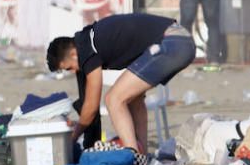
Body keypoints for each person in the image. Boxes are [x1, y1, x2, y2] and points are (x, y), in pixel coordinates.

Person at [46, 13, 196, 156]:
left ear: (73, 54)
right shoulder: (90, 37)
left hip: (172, 43)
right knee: (134, 100)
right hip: (181, 40)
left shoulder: (86, 48)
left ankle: (133, 156)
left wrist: (73, 136)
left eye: (69, 68)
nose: (73, 72)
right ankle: (141, 154)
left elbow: (91, 107)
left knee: (113, 99)